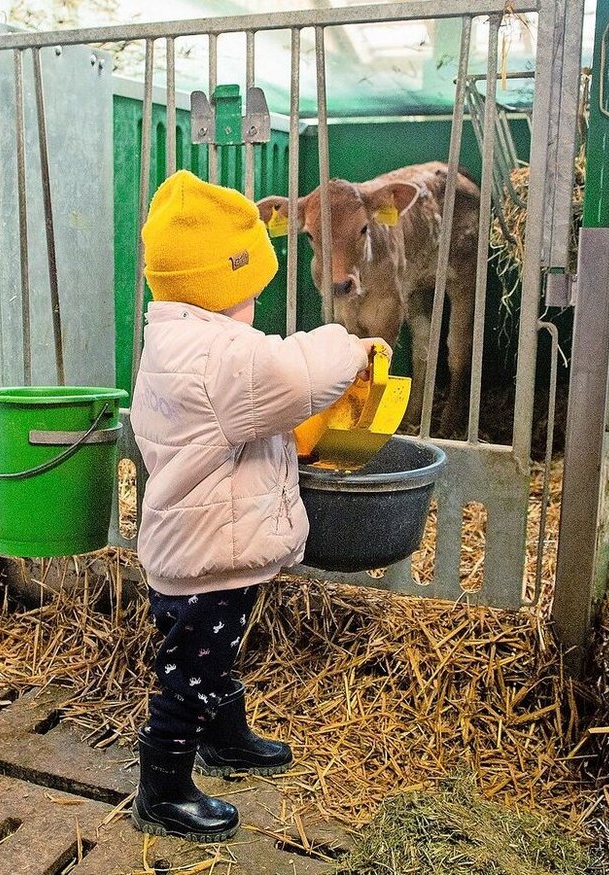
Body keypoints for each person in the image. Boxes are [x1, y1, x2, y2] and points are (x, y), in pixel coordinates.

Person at [129, 169, 386, 842]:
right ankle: (163, 787)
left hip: (200, 544)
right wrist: (352, 347)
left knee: (214, 652)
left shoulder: (176, 340)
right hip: (209, 550)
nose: (255, 303)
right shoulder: (217, 355)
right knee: (192, 673)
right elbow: (294, 374)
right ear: (218, 287)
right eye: (248, 290)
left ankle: (226, 738)